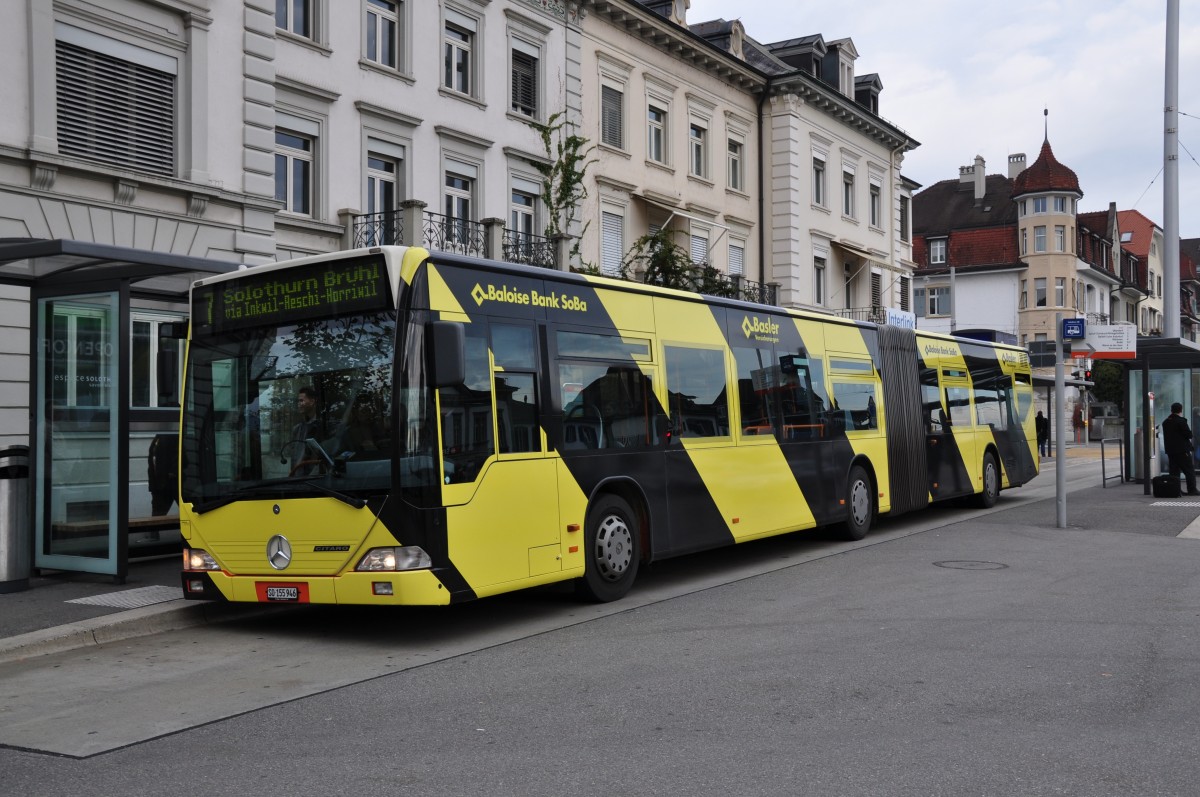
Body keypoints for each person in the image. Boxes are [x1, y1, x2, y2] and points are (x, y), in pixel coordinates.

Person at [1161, 401, 1198, 495]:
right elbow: (1189, 435)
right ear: (1181, 410)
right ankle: (1192, 490)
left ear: (1171, 410)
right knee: (1189, 470)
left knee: (1174, 471)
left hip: (1171, 451)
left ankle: (1175, 490)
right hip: (1182, 450)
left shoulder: (1166, 422)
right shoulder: (1181, 421)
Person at [290, 386, 323, 474]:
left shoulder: (322, 426)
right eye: (298, 401)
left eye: (302, 401)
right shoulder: (297, 429)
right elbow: (294, 456)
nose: (299, 404)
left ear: (312, 402)